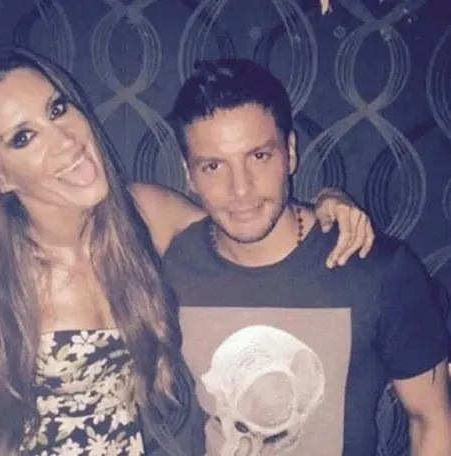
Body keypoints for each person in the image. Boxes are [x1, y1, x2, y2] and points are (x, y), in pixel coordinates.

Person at [0, 45, 375, 456]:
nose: (66, 141)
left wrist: (329, 200)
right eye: (23, 137)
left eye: (57, 109)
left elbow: (246, 221)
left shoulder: (144, 215)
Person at [160, 58, 451, 455]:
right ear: (189, 174)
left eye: (259, 156)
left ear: (290, 153)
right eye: (213, 166)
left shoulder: (376, 269)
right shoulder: (173, 264)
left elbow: (431, 418)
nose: (240, 189)